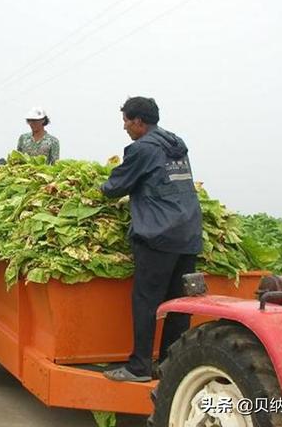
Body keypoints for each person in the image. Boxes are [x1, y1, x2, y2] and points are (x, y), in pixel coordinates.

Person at [100, 96, 203, 383]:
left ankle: (139, 367)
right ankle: (170, 365)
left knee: (146, 300)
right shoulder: (176, 143)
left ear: (138, 122)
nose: (124, 128)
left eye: (126, 121)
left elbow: (115, 187)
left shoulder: (142, 148)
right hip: (188, 232)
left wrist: (100, 187)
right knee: (179, 304)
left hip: (158, 235)